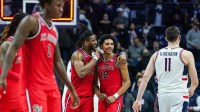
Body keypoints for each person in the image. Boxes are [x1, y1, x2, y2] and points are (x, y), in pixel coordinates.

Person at [0, 0, 80, 111]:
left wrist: (71, 88)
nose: (61, 9)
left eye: (62, 6)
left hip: (51, 84)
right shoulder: (32, 21)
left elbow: (57, 61)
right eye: (58, 5)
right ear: (46, 4)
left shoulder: (53, 30)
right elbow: (14, 47)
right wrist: (3, 75)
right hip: (33, 86)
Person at [133, 26, 199, 112]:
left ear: (166, 39)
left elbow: (145, 77)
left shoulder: (156, 54)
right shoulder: (186, 54)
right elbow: (195, 82)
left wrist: (138, 100)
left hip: (162, 95)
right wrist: (191, 90)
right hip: (179, 94)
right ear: (179, 37)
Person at [64, 24, 127, 112]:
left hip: (89, 97)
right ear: (86, 42)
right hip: (75, 95)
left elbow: (110, 53)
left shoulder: (96, 54)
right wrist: (94, 59)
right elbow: (81, 73)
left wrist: (123, 54)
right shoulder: (78, 54)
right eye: (93, 41)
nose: (95, 42)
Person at [93, 34, 131, 112]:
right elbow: (94, 83)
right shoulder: (98, 61)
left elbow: (127, 82)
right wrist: (98, 94)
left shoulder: (119, 60)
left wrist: (114, 96)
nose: (110, 46)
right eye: (107, 44)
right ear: (101, 46)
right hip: (103, 100)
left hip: (115, 99)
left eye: (112, 44)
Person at [0, 13, 28, 112]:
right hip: (8, 93)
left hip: (21, 94)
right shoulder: (7, 44)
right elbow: (4, 71)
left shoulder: (25, 45)